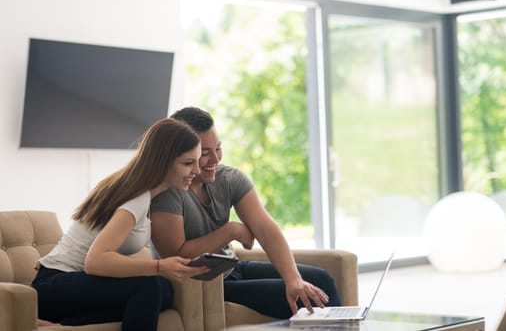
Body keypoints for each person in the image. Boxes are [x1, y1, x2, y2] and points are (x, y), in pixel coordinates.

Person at [150, 107, 341, 319]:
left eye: (218, 149)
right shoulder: (167, 193)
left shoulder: (229, 179)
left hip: (232, 268)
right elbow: (178, 255)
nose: (215, 159)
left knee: (321, 280)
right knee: (301, 299)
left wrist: (293, 278)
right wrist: (230, 231)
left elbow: (264, 227)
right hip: (202, 285)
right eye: (204, 153)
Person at [32, 118, 209, 330]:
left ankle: (63, 324)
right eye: (188, 163)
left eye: (197, 161)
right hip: (54, 285)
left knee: (163, 289)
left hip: (74, 285)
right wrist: (159, 267)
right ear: (163, 161)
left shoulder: (148, 194)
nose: (197, 171)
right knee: (151, 286)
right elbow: (95, 262)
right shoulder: (137, 198)